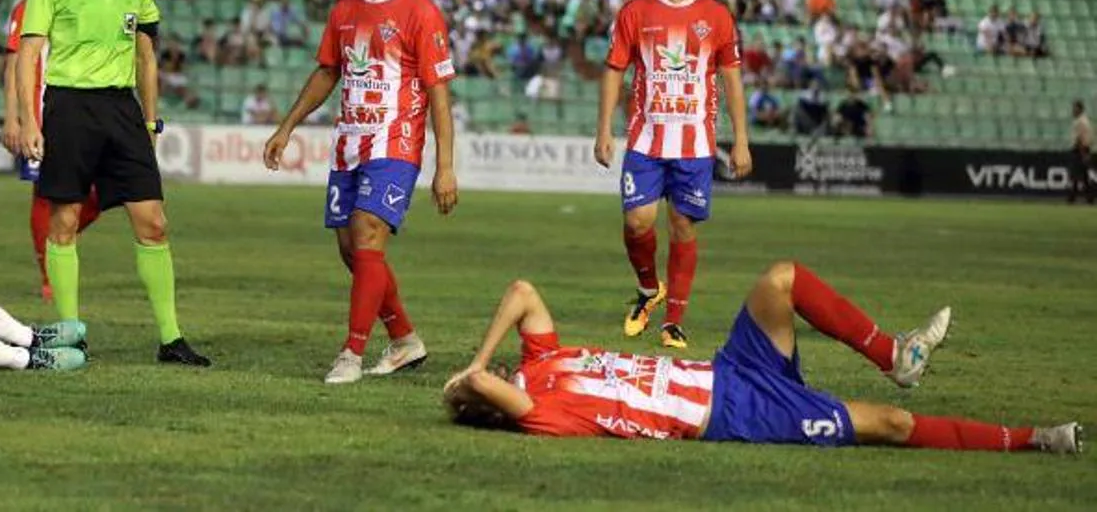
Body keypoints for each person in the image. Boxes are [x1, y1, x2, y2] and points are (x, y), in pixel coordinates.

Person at [441, 267, 1083, 455]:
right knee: (891, 425)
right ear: (490, 408)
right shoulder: (541, 413)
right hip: (734, 411)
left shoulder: (542, 364)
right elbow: (476, 384)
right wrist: (464, 386)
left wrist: (481, 360)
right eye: (483, 390)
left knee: (783, 279)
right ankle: (1036, 441)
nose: (489, 378)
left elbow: (523, 292)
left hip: (727, 370)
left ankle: (896, 353)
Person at [15, 0, 210, 367]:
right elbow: (27, 55)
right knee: (64, 222)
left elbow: (147, 57)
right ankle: (69, 333)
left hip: (123, 111)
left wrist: (149, 119)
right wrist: (29, 120)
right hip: (69, 108)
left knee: (154, 221)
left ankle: (171, 339)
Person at [263, 0, 459, 384]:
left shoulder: (419, 11)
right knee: (353, 251)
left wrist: (445, 167)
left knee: (368, 236)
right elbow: (328, 72)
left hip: (394, 144)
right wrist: (288, 125)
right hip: (348, 144)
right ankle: (405, 340)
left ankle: (350, 354)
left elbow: (438, 93)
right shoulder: (344, 10)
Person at [594, 0, 751, 349]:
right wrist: (604, 129)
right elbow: (614, 70)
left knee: (683, 226)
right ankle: (649, 290)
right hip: (646, 140)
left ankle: (673, 321)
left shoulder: (717, 16)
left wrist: (741, 140)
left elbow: (733, 80)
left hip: (695, 145)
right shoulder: (635, 12)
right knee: (636, 222)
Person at [2, 0, 103, 301]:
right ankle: (50, 276)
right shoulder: (30, 5)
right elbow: (14, 63)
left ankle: (58, 240)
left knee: (104, 190)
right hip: (39, 120)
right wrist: (12, 118)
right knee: (44, 197)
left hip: (82, 117)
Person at [1069, 100, 1094, 205]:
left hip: (1079, 150)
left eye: (1075, 108)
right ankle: (1088, 197)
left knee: (1077, 174)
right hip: (1083, 149)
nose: (1073, 110)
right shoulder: (1084, 121)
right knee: (1082, 175)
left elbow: (1080, 138)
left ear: (1079, 109)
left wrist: (1083, 153)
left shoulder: (1080, 122)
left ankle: (1074, 197)